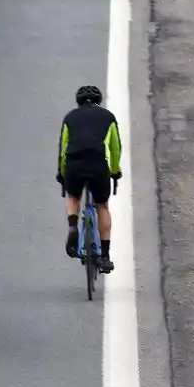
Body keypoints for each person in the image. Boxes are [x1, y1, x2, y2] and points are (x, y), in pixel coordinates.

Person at [56, 85, 122, 273]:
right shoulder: (108, 117)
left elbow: (63, 150)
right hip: (98, 166)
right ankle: (106, 256)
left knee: (73, 196)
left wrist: (62, 174)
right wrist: (115, 171)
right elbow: (115, 148)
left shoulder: (70, 118)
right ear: (99, 101)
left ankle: (72, 226)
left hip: (74, 166)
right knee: (102, 205)